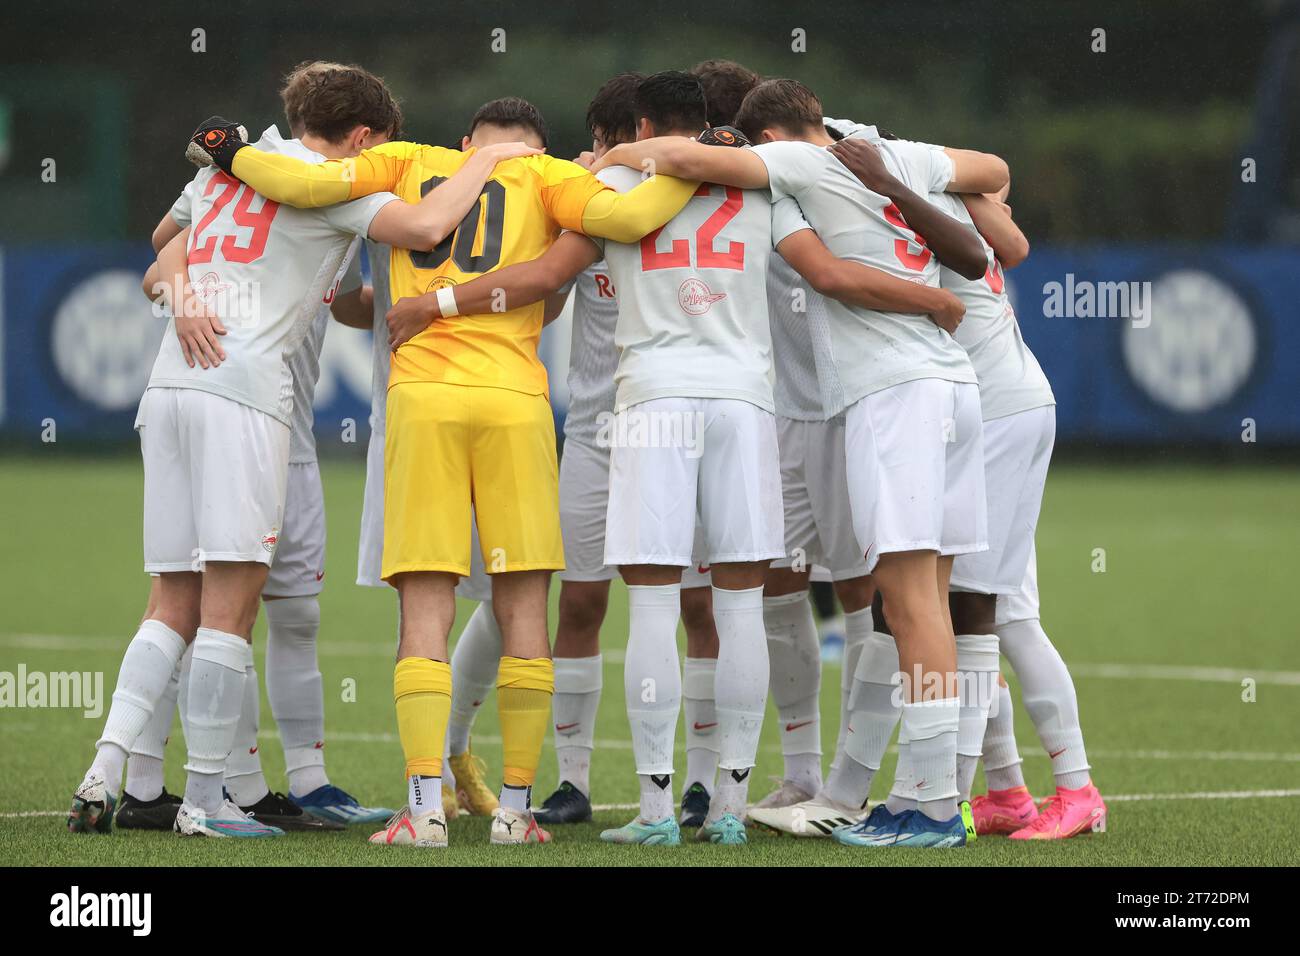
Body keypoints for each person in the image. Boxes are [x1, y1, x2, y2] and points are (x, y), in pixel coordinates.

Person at [189, 94, 701, 848]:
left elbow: (303, 186)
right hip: (516, 402)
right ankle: (518, 816)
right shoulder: (555, 177)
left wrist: (228, 149)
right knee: (525, 605)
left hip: (422, 399)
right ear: (538, 147)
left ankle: (424, 809)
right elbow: (631, 220)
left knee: (425, 604)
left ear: (468, 140)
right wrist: (698, 161)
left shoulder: (407, 160)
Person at [71, 64, 527, 838]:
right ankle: (208, 803)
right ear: (361, 138)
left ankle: (105, 772)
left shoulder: (230, 168)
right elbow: (424, 228)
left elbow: (159, 251)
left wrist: (183, 302)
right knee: (230, 605)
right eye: (376, 146)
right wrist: (490, 158)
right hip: (243, 394)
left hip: (171, 387)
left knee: (170, 599)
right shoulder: (333, 182)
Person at [594, 76, 1008, 847]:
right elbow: (991, 170)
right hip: (957, 389)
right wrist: (901, 182)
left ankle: (936, 806)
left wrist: (619, 151)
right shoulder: (900, 153)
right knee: (931, 598)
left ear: (771, 138)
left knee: (908, 600)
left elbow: (696, 169)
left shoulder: (795, 168)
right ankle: (924, 785)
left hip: (895, 393)